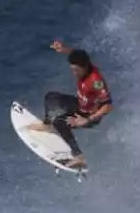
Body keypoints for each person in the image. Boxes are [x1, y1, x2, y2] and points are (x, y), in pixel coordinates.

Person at [28, 40, 113, 169]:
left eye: (76, 70)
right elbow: (76, 54)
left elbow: (108, 105)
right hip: (80, 104)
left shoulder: (96, 81)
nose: (74, 73)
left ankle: (79, 156)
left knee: (59, 121)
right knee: (50, 97)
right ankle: (46, 125)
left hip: (88, 115)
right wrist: (64, 49)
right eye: (72, 69)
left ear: (84, 67)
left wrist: (87, 120)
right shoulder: (84, 62)